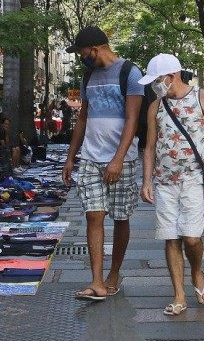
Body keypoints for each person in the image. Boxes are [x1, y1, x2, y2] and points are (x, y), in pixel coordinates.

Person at [141, 53, 204, 315]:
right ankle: (179, 296)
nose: (154, 86)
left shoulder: (202, 96)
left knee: (192, 238)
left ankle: (196, 273)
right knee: (171, 238)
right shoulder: (155, 106)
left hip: (194, 179)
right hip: (165, 182)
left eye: (157, 80)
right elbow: (149, 147)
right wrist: (147, 180)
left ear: (171, 77)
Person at [62, 26, 144, 301]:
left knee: (121, 217)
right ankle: (96, 281)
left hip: (122, 160)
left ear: (95, 48)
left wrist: (118, 159)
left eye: (82, 53)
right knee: (93, 215)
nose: (81, 58)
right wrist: (71, 157)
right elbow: (83, 118)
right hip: (91, 158)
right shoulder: (88, 76)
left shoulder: (130, 73)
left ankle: (114, 273)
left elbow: (133, 119)